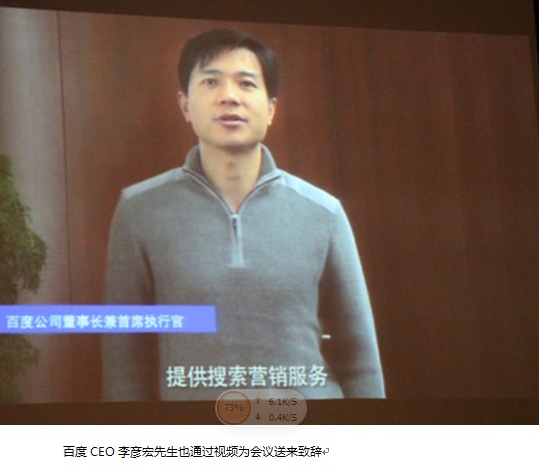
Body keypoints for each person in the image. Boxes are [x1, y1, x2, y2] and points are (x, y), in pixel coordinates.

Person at [102, 28, 384, 401]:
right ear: (185, 105)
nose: (229, 96)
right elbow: (124, 363)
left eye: (247, 83)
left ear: (271, 109)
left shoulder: (323, 212)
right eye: (211, 82)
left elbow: (360, 358)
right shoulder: (140, 209)